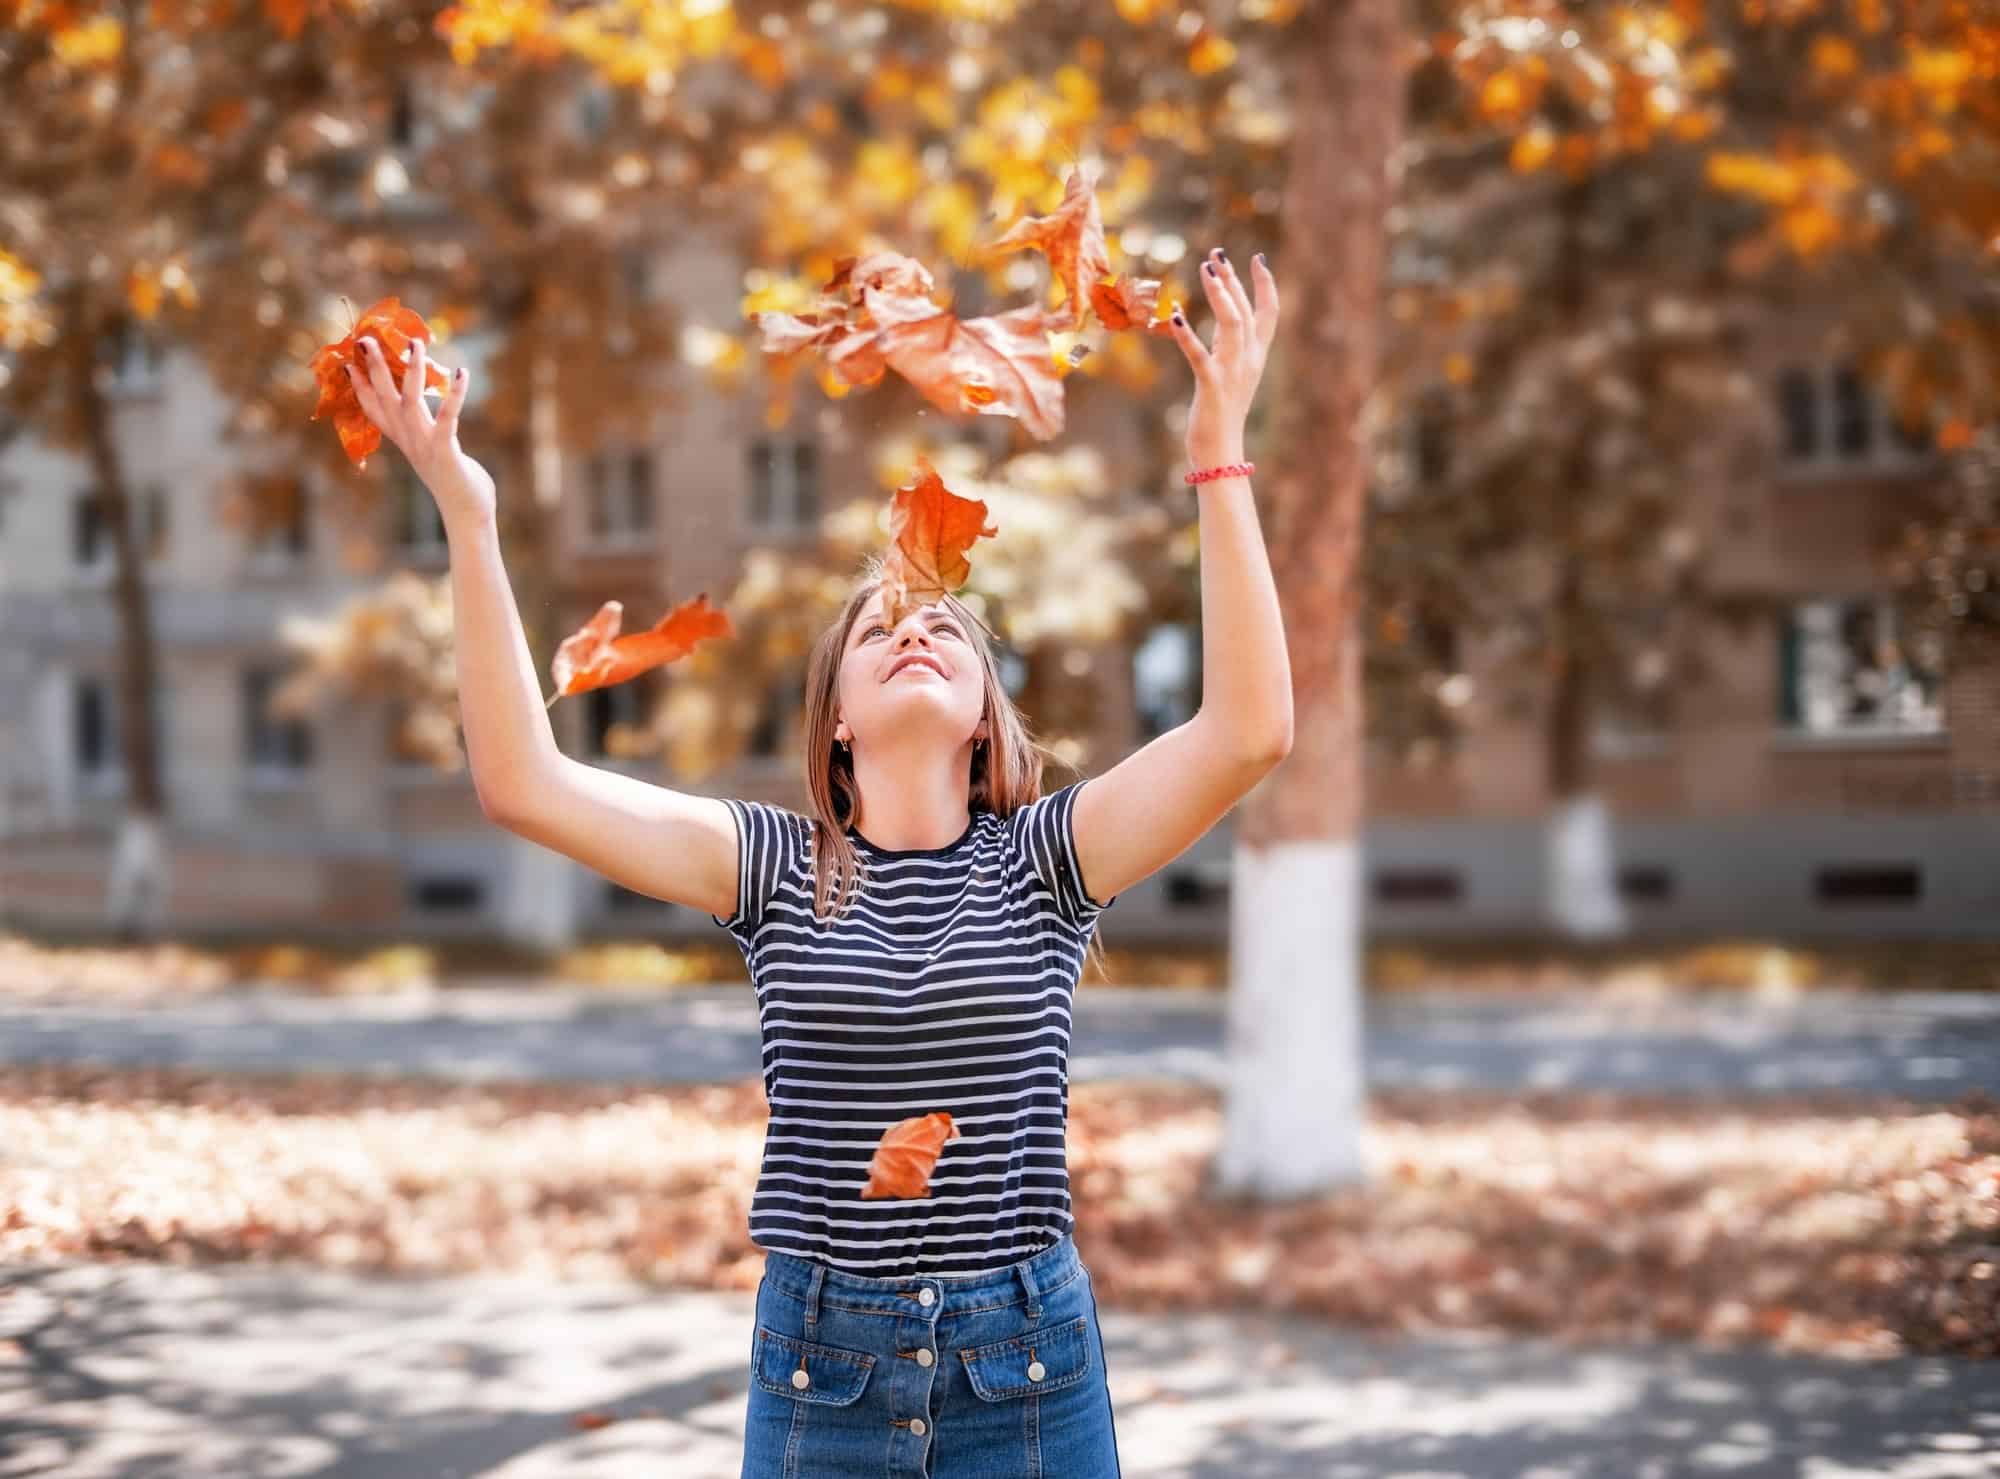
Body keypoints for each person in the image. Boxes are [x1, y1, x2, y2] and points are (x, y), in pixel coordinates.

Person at [342, 243, 1289, 1477]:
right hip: (820, 1369)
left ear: (983, 715)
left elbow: (1250, 732)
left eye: (941, 626)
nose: (912, 632)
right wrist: (466, 513)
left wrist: (1217, 456)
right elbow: (523, 783)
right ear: (834, 716)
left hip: (1028, 1371)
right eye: (877, 629)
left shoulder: (1048, 860)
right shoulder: (775, 868)